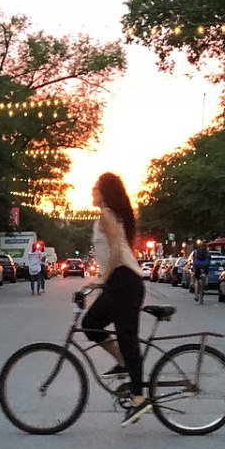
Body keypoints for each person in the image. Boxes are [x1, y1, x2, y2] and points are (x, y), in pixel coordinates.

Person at [82, 173, 149, 426]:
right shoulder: (106, 216)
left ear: (105, 192)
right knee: (91, 323)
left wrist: (102, 279)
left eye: (95, 188)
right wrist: (102, 281)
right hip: (118, 283)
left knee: (127, 338)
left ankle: (139, 399)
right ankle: (122, 362)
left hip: (125, 282)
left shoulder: (107, 215)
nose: (92, 192)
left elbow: (118, 252)